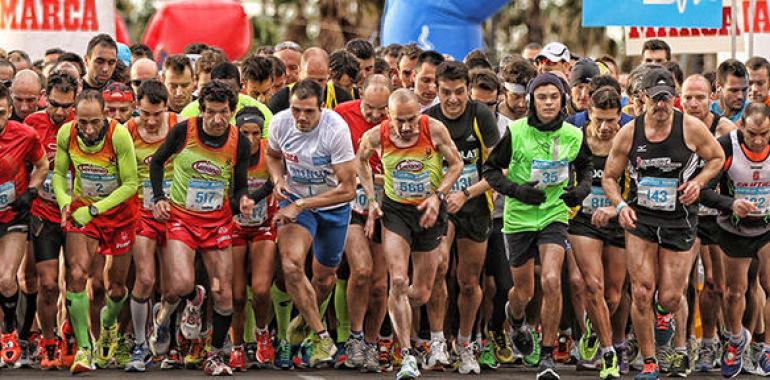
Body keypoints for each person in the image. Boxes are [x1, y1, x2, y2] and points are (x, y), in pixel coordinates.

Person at [601, 68, 724, 380]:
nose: (660, 105)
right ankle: (650, 360)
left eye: (666, 98)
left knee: (669, 296)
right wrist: (619, 205)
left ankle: (666, 318)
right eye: (654, 99)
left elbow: (717, 158)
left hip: (679, 219)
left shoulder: (691, 128)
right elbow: (609, 177)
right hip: (641, 218)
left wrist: (698, 183)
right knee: (641, 291)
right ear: (643, 98)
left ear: (675, 98)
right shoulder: (630, 132)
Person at [482, 72, 593, 380]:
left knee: (552, 279)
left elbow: (585, 167)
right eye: (541, 97)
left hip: (553, 214)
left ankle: (546, 355)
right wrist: (518, 191)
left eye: (553, 97)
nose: (547, 103)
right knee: (523, 291)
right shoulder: (516, 131)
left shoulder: (573, 134)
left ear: (562, 101)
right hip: (518, 217)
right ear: (532, 101)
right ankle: (515, 318)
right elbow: (490, 170)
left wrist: (580, 191)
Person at [356, 88, 462, 380]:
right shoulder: (378, 135)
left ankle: (397, 308)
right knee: (399, 280)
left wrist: (437, 197)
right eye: (399, 120)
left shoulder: (434, 129)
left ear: (420, 114)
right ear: (389, 116)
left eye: (411, 119)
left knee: (421, 292)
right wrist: (373, 200)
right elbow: (361, 161)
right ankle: (406, 356)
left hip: (429, 210)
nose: (405, 127)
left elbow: (457, 165)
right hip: (396, 212)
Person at [148, 79, 252, 376]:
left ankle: (215, 355)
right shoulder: (184, 131)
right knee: (180, 284)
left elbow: (240, 185)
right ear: (201, 110)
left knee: (223, 294)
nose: (217, 120)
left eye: (224, 113)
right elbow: (157, 163)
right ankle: (189, 299)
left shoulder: (239, 142)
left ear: (232, 111)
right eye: (211, 112)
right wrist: (158, 199)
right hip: (181, 217)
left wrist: (243, 200)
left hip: (217, 222)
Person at [265, 80, 357, 368]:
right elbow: (272, 156)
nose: (301, 118)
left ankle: (299, 331)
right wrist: (278, 180)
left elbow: (348, 189)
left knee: (324, 278)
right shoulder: (280, 123)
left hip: (332, 205)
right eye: (296, 110)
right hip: (295, 201)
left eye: (308, 111)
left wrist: (302, 204)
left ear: (321, 109)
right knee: (291, 265)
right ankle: (320, 335)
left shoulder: (336, 130)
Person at [52, 89, 139, 373]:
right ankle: (84, 350)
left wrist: (94, 209)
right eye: (83, 122)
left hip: (119, 215)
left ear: (105, 116)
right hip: (83, 212)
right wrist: (66, 202)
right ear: (74, 117)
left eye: (95, 122)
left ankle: (108, 324)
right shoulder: (66, 134)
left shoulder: (119, 135)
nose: (89, 130)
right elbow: (58, 174)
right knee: (77, 276)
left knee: (115, 288)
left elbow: (130, 185)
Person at [422, 61, 501, 374]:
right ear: (436, 90)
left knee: (469, 281)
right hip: (440, 204)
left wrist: (467, 194)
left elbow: (499, 169)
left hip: (474, 203)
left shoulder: (480, 115)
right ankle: (438, 341)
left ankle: (466, 343)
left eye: (458, 92)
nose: (452, 99)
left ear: (468, 90)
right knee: (439, 267)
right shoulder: (428, 119)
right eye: (445, 92)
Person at [697, 103, 770, 378]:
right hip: (733, 228)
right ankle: (736, 339)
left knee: (768, 284)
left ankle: (766, 348)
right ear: (741, 127)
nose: (759, 140)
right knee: (734, 291)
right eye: (753, 133)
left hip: (767, 225)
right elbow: (702, 189)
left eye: (765, 133)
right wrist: (731, 203)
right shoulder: (725, 146)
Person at [567, 86, 627, 380]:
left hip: (618, 220)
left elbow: (640, 188)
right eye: (599, 120)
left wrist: (616, 209)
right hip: (583, 221)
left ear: (619, 117)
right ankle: (609, 353)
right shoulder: (575, 138)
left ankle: (592, 328)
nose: (605, 127)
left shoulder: (626, 139)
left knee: (614, 296)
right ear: (588, 115)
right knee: (593, 285)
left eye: (611, 120)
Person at [679, 74, 737, 373]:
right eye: (687, 97)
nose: (693, 103)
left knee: (715, 282)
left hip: (715, 214)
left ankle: (709, 341)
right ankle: (682, 342)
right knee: (680, 282)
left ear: (712, 97)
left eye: (700, 97)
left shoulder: (725, 129)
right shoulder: (674, 124)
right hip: (683, 212)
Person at [334, 74, 391, 371]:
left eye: (381, 111)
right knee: (362, 269)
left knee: (381, 284)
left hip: (386, 207)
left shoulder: (401, 121)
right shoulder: (341, 115)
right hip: (351, 204)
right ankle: (354, 337)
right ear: (360, 96)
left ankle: (371, 343)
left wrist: (374, 180)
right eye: (369, 108)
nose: (374, 115)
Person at [123, 79, 179, 372]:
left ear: (166, 108)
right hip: (141, 213)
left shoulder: (179, 126)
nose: (152, 120)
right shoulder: (128, 131)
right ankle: (140, 345)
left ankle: (162, 320)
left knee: (172, 290)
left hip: (174, 214)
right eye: (146, 113)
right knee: (145, 279)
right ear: (137, 108)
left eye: (157, 114)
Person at [24, 71, 78, 370]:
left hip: (74, 212)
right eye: (55, 104)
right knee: (47, 284)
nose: (59, 112)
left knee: (75, 281)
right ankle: (47, 341)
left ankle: (69, 335)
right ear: (45, 97)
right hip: (43, 212)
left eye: (66, 106)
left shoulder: (83, 124)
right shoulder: (32, 124)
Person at [226, 107, 278, 371]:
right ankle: (236, 346)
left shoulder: (269, 152)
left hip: (262, 226)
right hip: (234, 227)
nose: (250, 139)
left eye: (255, 133)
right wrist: (241, 203)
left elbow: (275, 183)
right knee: (235, 295)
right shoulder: (228, 152)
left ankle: (261, 333)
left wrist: (254, 199)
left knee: (259, 289)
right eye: (244, 133)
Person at [0, 82, 47, 368]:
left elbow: (42, 166)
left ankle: (9, 333)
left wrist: (30, 192)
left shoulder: (24, 135)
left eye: (2, 113)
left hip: (12, 216)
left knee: (7, 279)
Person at [181, 62, 273, 130]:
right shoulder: (189, 113)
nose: (227, 101)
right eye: (220, 94)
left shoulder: (261, 111)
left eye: (231, 94)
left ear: (241, 87)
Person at [268, 48, 353, 113]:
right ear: (299, 72)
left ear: (329, 74)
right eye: (310, 80)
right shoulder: (281, 100)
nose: (315, 87)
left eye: (321, 80)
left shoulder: (343, 99)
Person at [711, 59, 749, 123]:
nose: (740, 96)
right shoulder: (706, 113)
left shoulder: (753, 112)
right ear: (718, 87)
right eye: (734, 90)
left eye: (744, 90)